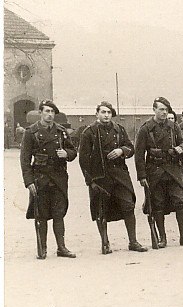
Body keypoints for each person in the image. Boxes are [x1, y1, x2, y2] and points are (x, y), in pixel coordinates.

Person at [79, 101, 148, 254]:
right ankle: (105, 243)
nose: (106, 115)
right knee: (101, 210)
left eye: (109, 113)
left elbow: (131, 148)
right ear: (96, 114)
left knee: (128, 206)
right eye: (103, 112)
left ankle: (133, 241)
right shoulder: (89, 132)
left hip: (120, 176)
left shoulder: (119, 130)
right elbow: (83, 159)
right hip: (100, 177)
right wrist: (90, 181)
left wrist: (121, 150)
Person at [135, 97, 183, 248]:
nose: (164, 112)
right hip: (155, 172)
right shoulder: (145, 129)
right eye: (161, 109)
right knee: (158, 205)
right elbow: (139, 154)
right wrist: (142, 176)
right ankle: (162, 238)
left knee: (180, 202)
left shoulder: (173, 126)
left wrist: (180, 148)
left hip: (173, 170)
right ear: (154, 110)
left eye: (166, 110)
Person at [20, 100, 78, 259]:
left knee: (59, 214)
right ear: (40, 113)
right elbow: (25, 160)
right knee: (41, 215)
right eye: (47, 111)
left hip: (58, 178)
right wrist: (29, 182)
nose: (50, 115)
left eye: (52, 112)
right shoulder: (30, 132)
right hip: (40, 179)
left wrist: (66, 154)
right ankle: (42, 248)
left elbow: (73, 151)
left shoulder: (61, 132)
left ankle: (62, 248)